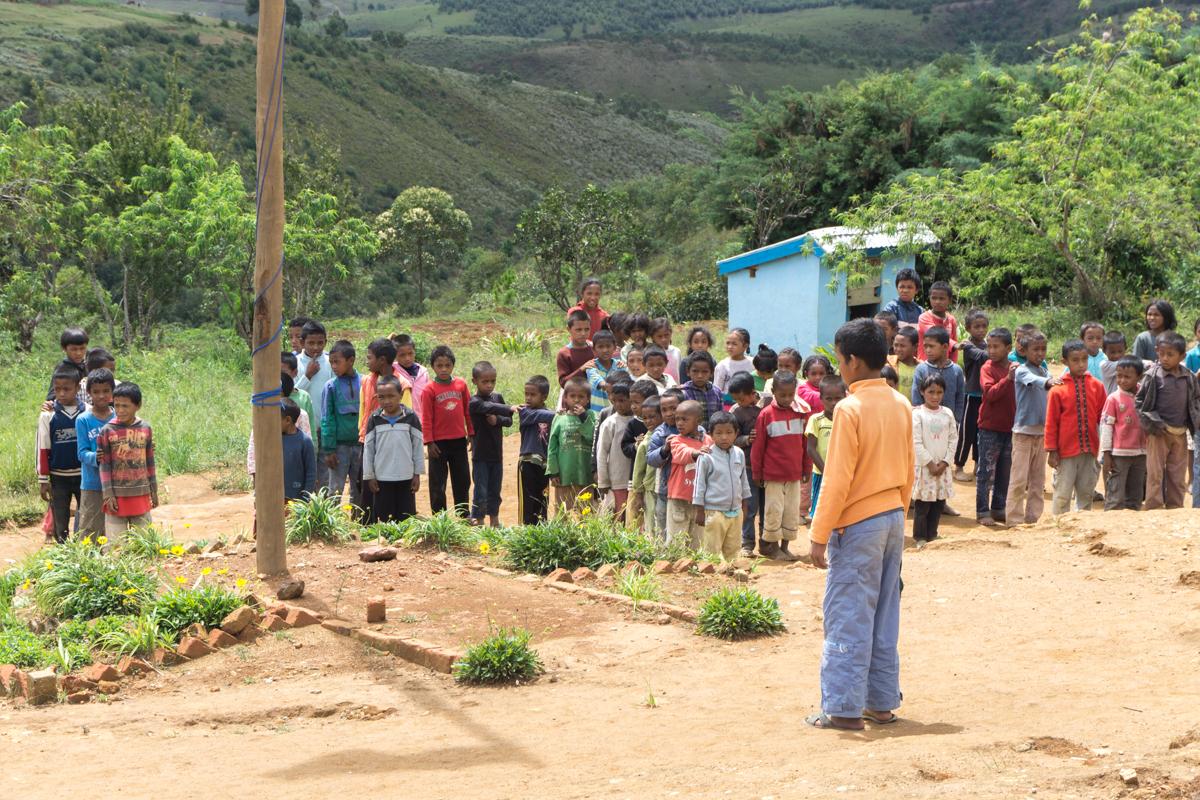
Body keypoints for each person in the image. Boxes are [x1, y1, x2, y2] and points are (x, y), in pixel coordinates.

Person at [805, 318, 913, 732]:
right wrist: (898, 514)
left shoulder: (850, 408)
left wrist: (818, 535)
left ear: (851, 361)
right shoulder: (901, 403)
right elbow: (909, 467)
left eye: (839, 360)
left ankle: (844, 709)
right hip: (891, 520)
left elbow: (836, 479)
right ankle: (881, 704)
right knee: (884, 612)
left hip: (858, 524)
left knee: (848, 613)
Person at [750, 369, 811, 561]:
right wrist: (757, 472)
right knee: (773, 511)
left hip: (794, 474)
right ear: (773, 391)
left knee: (791, 511)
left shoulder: (801, 413)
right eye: (782, 394)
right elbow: (758, 447)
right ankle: (774, 548)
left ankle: (786, 547)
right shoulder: (766, 415)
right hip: (772, 475)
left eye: (791, 394)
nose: (787, 398)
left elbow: (805, 443)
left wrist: (806, 468)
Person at [1135, 331, 1198, 510]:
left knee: (1177, 476)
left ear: (1182, 356)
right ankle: (1153, 509)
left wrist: (1194, 420)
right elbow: (1139, 402)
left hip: (1180, 434)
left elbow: (1196, 400)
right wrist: (1153, 424)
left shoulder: (1189, 377)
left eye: (1170, 355)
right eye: (1161, 354)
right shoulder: (1152, 376)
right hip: (1158, 433)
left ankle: (1175, 509)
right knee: (1155, 475)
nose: (1165, 358)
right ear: (1156, 351)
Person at [1045, 339, 1107, 515]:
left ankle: (1082, 529)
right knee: (1062, 493)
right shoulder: (1058, 389)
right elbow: (1051, 422)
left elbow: (1103, 417)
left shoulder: (1096, 385)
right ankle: (1059, 527)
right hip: (1065, 453)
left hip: (1090, 451)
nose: (1081, 364)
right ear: (1065, 362)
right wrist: (1052, 450)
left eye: (1085, 359)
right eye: (1075, 360)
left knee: (1086, 493)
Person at [1007, 331, 1060, 525]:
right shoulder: (1022, 370)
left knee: (1038, 482)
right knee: (1019, 479)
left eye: (1043, 349)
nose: (1040, 353)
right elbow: (1034, 381)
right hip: (1023, 434)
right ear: (1025, 350)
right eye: (1035, 349)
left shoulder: (1048, 373)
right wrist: (1048, 383)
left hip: (1042, 434)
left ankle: (1033, 519)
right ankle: (1014, 520)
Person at [97, 382, 158, 542]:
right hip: (116, 497)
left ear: (138, 405)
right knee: (115, 545)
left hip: (141, 494)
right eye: (116, 405)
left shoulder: (145, 428)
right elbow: (104, 465)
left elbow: (150, 460)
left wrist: (154, 489)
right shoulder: (107, 431)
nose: (120, 410)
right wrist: (108, 494)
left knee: (144, 543)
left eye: (125, 405)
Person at [363, 374, 424, 523]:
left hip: (406, 476)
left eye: (391, 396)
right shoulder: (374, 419)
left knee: (406, 516)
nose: (386, 401)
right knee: (384, 516)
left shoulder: (410, 417)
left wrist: (417, 474)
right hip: (382, 477)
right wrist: (370, 476)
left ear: (401, 395)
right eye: (381, 397)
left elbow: (417, 448)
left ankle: (403, 545)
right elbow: (369, 450)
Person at [421, 345, 474, 517]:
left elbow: (468, 411)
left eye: (448, 365)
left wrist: (471, 433)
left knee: (463, 479)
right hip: (438, 444)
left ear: (453, 365)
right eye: (439, 365)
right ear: (432, 366)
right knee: (438, 482)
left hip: (458, 440)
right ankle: (439, 517)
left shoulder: (461, 384)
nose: (444, 369)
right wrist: (429, 442)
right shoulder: (429, 389)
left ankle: (463, 514)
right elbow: (426, 418)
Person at [691, 410, 752, 560]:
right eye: (719, 433)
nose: (724, 437)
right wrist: (699, 510)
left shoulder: (739, 453)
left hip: (735, 512)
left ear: (736, 433)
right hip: (714, 512)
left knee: (734, 549)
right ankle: (714, 580)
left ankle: (731, 579)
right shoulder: (706, 456)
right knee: (711, 550)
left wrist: (744, 507)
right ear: (711, 434)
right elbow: (699, 484)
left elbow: (743, 481)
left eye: (729, 432)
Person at [38, 365, 86, 543]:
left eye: (67, 389)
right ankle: (63, 555)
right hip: (58, 477)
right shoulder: (48, 415)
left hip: (85, 475)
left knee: (87, 517)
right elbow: (42, 447)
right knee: (60, 520)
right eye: (57, 389)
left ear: (78, 388)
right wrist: (43, 480)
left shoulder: (88, 411)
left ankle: (85, 554)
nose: (62, 394)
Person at [976, 328, 1016, 527]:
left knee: (1004, 472)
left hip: (1011, 428)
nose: (991, 350)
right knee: (986, 472)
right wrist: (1008, 379)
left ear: (1009, 348)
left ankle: (999, 508)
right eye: (988, 346)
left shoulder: (1017, 368)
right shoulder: (987, 368)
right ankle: (982, 511)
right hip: (989, 428)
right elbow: (990, 394)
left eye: (996, 346)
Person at [912, 372, 958, 543]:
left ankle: (932, 534)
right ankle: (919, 537)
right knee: (923, 504)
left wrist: (945, 462)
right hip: (925, 468)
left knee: (938, 503)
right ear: (922, 391)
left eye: (939, 392)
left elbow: (953, 439)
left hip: (942, 468)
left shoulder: (947, 413)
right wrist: (930, 464)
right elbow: (916, 442)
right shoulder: (917, 414)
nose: (935, 396)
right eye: (931, 392)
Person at [468, 361, 512, 527]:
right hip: (480, 454)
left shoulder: (498, 397)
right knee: (480, 491)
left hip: (496, 454)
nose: (489, 385)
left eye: (493, 381)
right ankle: (479, 522)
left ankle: (494, 522)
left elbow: (508, 421)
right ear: (474, 381)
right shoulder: (474, 401)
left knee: (495, 490)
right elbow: (488, 406)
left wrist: (497, 420)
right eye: (484, 382)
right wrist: (508, 409)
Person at [1101, 355, 1148, 511]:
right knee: (1115, 496)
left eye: (1127, 377)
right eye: (1119, 376)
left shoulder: (1144, 395)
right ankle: (1111, 529)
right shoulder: (1113, 399)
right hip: (1119, 455)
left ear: (1139, 377)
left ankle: (1131, 531)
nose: (1122, 380)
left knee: (1135, 497)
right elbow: (1106, 427)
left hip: (1141, 454)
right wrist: (1106, 454)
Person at [545, 376, 597, 511]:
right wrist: (553, 472)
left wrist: (584, 417)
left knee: (586, 514)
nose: (577, 400)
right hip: (564, 475)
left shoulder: (591, 416)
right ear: (565, 398)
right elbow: (552, 447)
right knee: (562, 513)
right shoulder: (559, 417)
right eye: (572, 396)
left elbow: (595, 439)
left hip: (585, 474)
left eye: (581, 396)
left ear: (588, 399)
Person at [665, 400, 711, 548]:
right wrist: (697, 452)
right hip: (679, 498)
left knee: (697, 540)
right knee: (676, 541)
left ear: (698, 421)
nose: (679, 423)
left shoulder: (709, 441)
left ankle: (693, 568)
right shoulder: (676, 440)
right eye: (677, 419)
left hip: (701, 501)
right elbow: (681, 453)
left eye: (684, 419)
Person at [322, 340, 362, 509]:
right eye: (331, 362)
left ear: (350, 361)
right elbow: (327, 419)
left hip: (360, 447)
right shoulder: (330, 386)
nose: (333, 366)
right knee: (335, 490)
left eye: (337, 362)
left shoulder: (365, 382)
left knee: (359, 489)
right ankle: (332, 528)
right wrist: (329, 450)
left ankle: (360, 527)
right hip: (339, 449)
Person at [76, 368, 116, 539]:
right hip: (92, 483)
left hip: (117, 483)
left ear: (113, 391)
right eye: (96, 392)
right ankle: (89, 563)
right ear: (88, 392)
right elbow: (81, 452)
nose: (101, 396)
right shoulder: (83, 420)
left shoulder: (118, 418)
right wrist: (95, 457)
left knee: (115, 528)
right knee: (90, 528)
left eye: (106, 391)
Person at [729, 373, 764, 557]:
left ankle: (766, 542)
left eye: (741, 398)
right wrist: (746, 440)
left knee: (766, 507)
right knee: (749, 507)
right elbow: (732, 437)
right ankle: (747, 543)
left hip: (768, 466)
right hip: (748, 467)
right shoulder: (736, 411)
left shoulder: (766, 404)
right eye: (736, 399)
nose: (739, 402)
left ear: (752, 393)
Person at [295, 320, 333, 488]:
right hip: (303, 430)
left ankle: (323, 512)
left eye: (320, 343)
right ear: (302, 342)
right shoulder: (295, 363)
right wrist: (307, 376)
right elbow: (292, 394)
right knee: (305, 474)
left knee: (326, 477)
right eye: (311, 343)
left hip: (325, 429)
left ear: (326, 342)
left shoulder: (331, 362)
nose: (316, 347)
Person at [954, 309, 990, 483]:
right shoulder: (968, 346)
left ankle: (978, 465)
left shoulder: (989, 345)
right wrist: (996, 349)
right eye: (976, 327)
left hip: (986, 395)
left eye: (984, 326)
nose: (981, 330)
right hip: (971, 395)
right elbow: (982, 356)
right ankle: (959, 466)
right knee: (966, 432)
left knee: (981, 432)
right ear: (968, 328)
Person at [516, 375, 556, 524]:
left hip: (545, 465)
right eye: (526, 393)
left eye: (533, 394)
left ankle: (540, 533)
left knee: (542, 500)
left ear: (544, 396)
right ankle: (525, 532)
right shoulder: (525, 412)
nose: (528, 398)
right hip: (527, 463)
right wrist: (557, 413)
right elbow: (540, 415)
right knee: (527, 501)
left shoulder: (551, 415)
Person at [646, 388, 685, 535]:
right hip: (666, 491)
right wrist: (664, 450)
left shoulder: (696, 431)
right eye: (664, 410)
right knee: (664, 530)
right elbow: (650, 459)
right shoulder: (659, 433)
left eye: (673, 409)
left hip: (689, 490)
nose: (668, 413)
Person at [806, 375, 846, 518]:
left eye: (838, 398)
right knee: (820, 510)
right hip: (822, 473)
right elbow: (810, 449)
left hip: (843, 474)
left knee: (841, 510)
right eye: (829, 399)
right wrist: (825, 471)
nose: (833, 403)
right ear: (821, 398)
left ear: (845, 396)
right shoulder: (816, 420)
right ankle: (817, 539)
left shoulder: (848, 419)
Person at [910, 326, 965, 424]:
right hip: (926, 422)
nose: (927, 350)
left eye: (931, 346)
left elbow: (960, 398)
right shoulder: (921, 369)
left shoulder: (957, 370)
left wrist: (956, 420)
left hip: (949, 423)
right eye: (925, 346)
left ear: (944, 347)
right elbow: (916, 396)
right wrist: (920, 418)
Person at [597, 382, 635, 521]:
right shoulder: (610, 423)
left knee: (632, 517)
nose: (618, 405)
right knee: (617, 516)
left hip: (633, 480)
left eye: (622, 401)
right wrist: (603, 481)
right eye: (614, 401)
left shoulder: (637, 421)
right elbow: (602, 453)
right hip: (616, 480)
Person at [629, 396, 663, 535]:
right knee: (651, 523)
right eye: (644, 418)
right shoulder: (645, 443)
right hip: (649, 489)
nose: (648, 421)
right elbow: (638, 472)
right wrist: (638, 497)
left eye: (652, 417)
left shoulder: (667, 437)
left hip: (665, 488)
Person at [280, 397, 318, 501]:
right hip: (275, 497)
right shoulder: (274, 440)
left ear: (288, 420)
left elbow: (311, 472)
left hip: (297, 499)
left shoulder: (305, 442)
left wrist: (306, 498)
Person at [916, 281, 959, 363]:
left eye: (941, 298)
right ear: (930, 298)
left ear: (950, 300)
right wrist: (955, 345)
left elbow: (954, 351)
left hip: (943, 366)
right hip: (925, 364)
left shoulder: (951, 320)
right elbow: (936, 334)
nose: (937, 302)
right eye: (934, 298)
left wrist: (953, 366)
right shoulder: (924, 318)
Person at [44, 326, 89, 403]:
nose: (79, 353)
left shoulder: (88, 367)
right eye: (74, 349)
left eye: (82, 348)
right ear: (64, 348)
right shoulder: (62, 368)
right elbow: (51, 396)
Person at [557, 309, 597, 394]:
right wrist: (581, 369)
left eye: (587, 329)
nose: (583, 333)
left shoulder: (595, 349)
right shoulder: (564, 354)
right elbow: (563, 382)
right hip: (574, 401)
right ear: (569, 329)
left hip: (594, 399)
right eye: (578, 330)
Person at [392, 333, 430, 421]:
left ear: (414, 351)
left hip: (421, 418)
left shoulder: (423, 372)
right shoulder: (393, 370)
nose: (407, 358)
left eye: (410, 353)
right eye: (402, 355)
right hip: (401, 418)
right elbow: (380, 357)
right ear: (394, 355)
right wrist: (388, 340)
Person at [282, 352, 317, 447]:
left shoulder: (304, 397)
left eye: (283, 372)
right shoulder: (272, 399)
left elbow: (311, 428)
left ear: (295, 373)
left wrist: (313, 450)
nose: (279, 376)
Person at [680, 350, 722, 428]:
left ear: (712, 372)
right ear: (687, 371)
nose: (700, 376)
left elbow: (721, 417)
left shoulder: (717, 392)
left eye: (705, 371)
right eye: (695, 371)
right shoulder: (684, 393)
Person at [586, 330, 625, 413]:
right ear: (594, 349)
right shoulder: (591, 367)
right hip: (598, 415)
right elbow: (602, 385)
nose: (605, 350)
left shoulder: (619, 366)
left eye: (608, 346)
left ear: (614, 347)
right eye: (600, 347)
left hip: (617, 414)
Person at [714, 327, 753, 410]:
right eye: (727, 343)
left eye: (734, 344)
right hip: (728, 407)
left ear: (745, 346)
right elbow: (717, 390)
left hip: (749, 407)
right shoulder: (723, 365)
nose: (730, 346)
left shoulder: (752, 363)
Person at [1134, 298, 1175, 363]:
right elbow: (1136, 362)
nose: (1152, 318)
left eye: (1156, 315)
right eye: (1149, 314)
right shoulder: (1143, 338)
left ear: (1166, 317)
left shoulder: (1174, 338)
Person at [889, 327, 920, 401]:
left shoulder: (920, 367)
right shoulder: (889, 363)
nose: (898, 349)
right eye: (896, 345)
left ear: (915, 347)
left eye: (902, 346)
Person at [649, 318, 682, 383]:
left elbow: (679, 372)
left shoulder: (676, 351)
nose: (664, 339)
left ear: (671, 334)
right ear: (652, 337)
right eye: (659, 337)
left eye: (666, 335)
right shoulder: (650, 354)